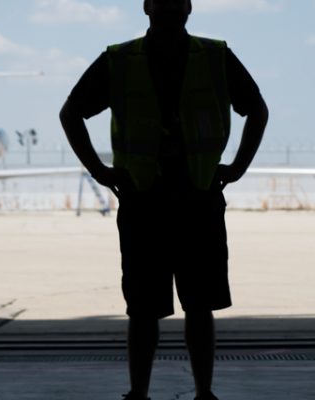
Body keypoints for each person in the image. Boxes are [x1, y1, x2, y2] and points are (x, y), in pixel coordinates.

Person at [60, 0, 267, 398]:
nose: (171, 7)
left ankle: (163, 393)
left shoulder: (213, 56)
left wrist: (100, 172)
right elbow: (70, 114)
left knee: (177, 306)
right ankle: (173, 393)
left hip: (183, 197)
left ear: (187, 7)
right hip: (157, 198)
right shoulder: (122, 59)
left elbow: (258, 110)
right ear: (148, 7)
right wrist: (99, 171)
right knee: (156, 307)